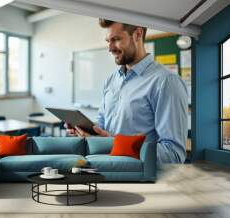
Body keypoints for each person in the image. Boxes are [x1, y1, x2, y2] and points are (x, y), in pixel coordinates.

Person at [67, 19, 188, 163]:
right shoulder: (111, 81)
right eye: (108, 41)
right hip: (105, 169)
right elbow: (103, 125)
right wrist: (87, 131)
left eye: (116, 39)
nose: (110, 48)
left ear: (137, 34)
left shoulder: (166, 82)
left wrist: (115, 145)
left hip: (140, 181)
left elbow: (173, 154)